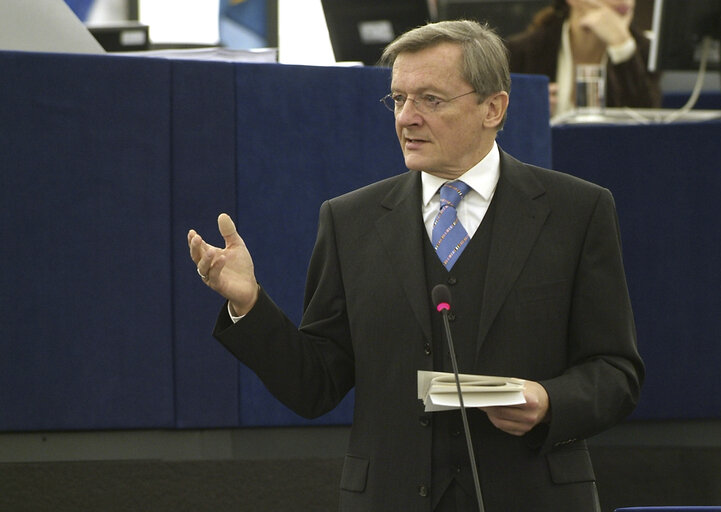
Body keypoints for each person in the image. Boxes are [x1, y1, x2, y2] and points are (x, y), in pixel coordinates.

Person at [188, 19, 644, 512]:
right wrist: (249, 305)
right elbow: (315, 385)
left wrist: (551, 401)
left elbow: (615, 370)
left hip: (531, 494)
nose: (407, 117)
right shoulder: (350, 221)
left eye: (431, 99)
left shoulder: (575, 211)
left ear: (493, 107)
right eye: (399, 99)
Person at [507, 0, 661, 117]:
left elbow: (649, 128)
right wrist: (526, 113)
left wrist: (623, 48)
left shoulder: (644, 51)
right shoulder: (520, 52)